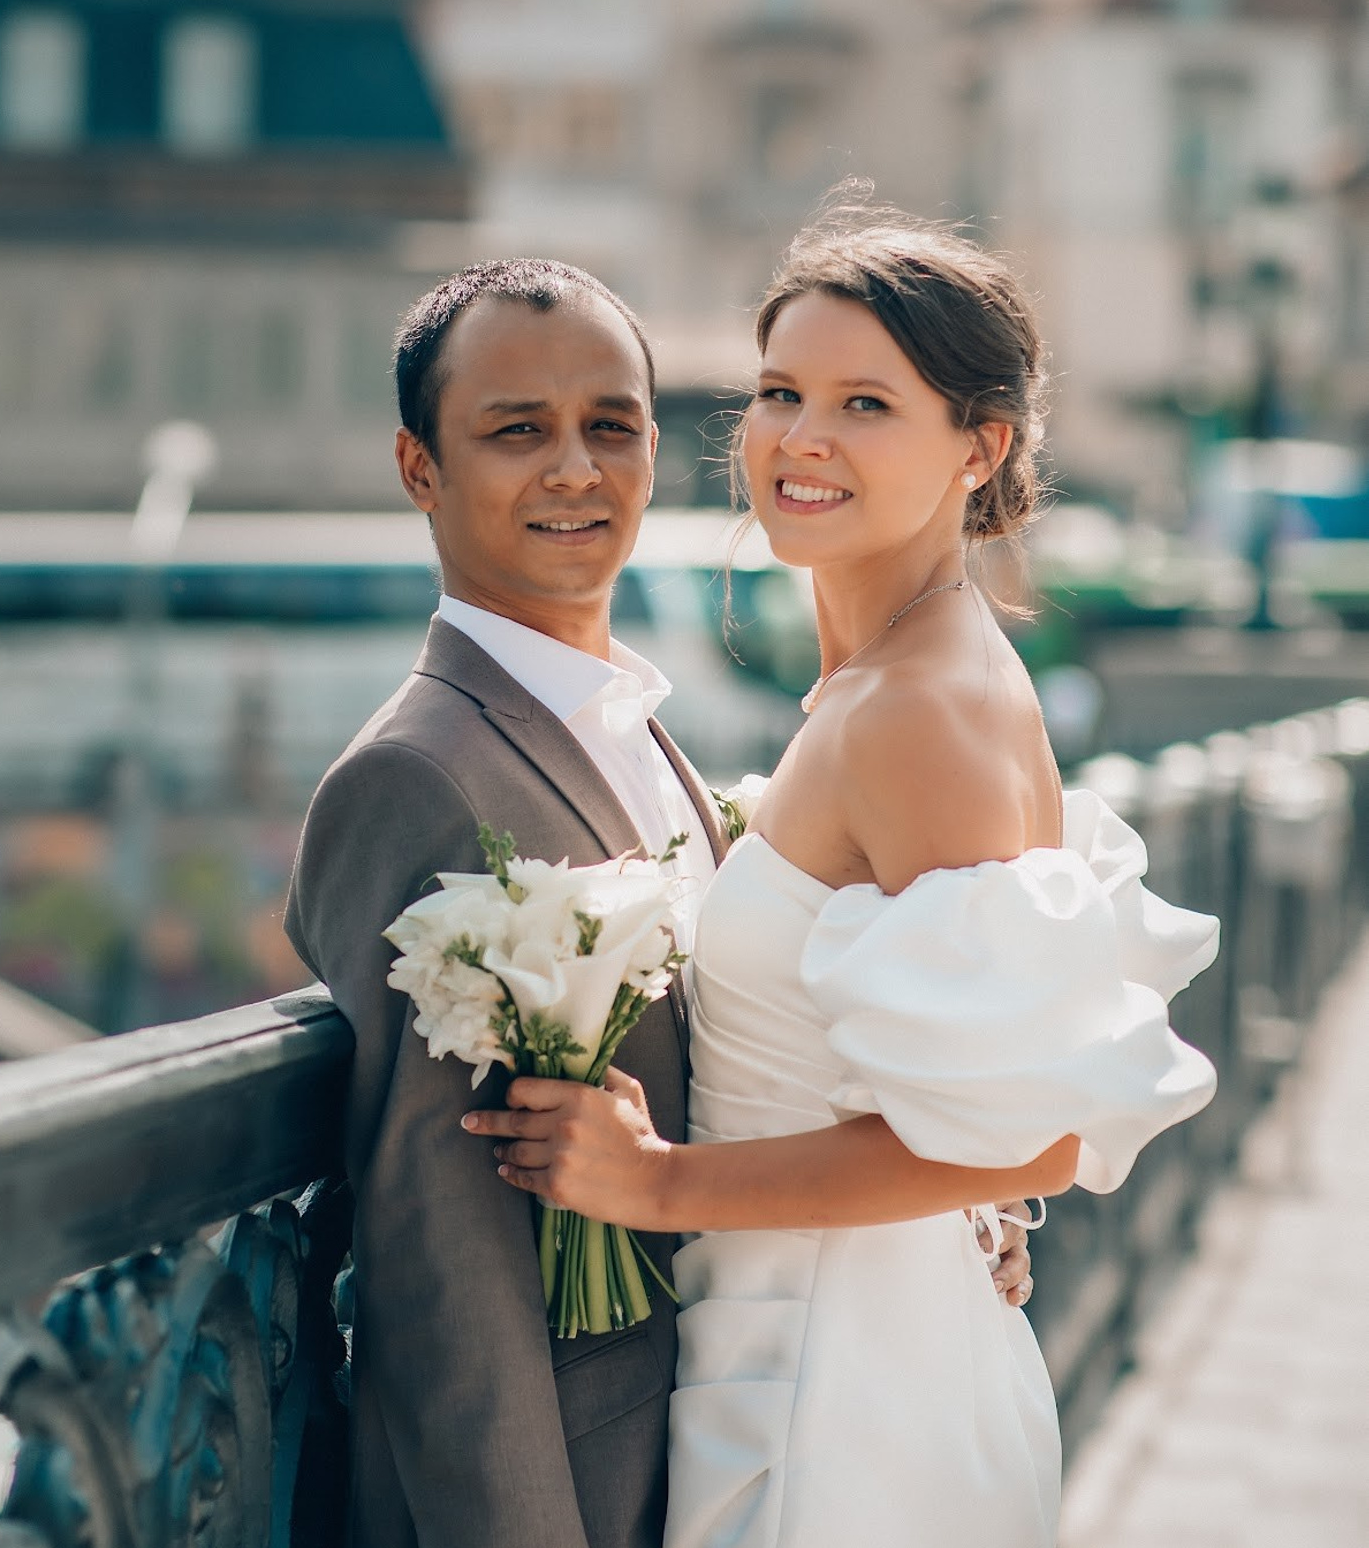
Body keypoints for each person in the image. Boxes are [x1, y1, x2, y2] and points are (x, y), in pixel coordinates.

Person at [465, 201, 1220, 1546]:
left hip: (843, 1392)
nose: (800, 439)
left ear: (976, 448)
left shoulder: (919, 710)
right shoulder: (891, 680)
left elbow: (1032, 1134)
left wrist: (654, 1187)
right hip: (824, 1329)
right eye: (779, 392)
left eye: (866, 403)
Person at [286, 256, 1033, 1548]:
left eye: (611, 427)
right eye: (517, 432)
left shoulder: (651, 731)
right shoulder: (414, 780)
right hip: (592, 1484)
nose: (575, 469)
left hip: (772, 1420)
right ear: (420, 469)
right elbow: (436, 1272)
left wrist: (966, 1196)